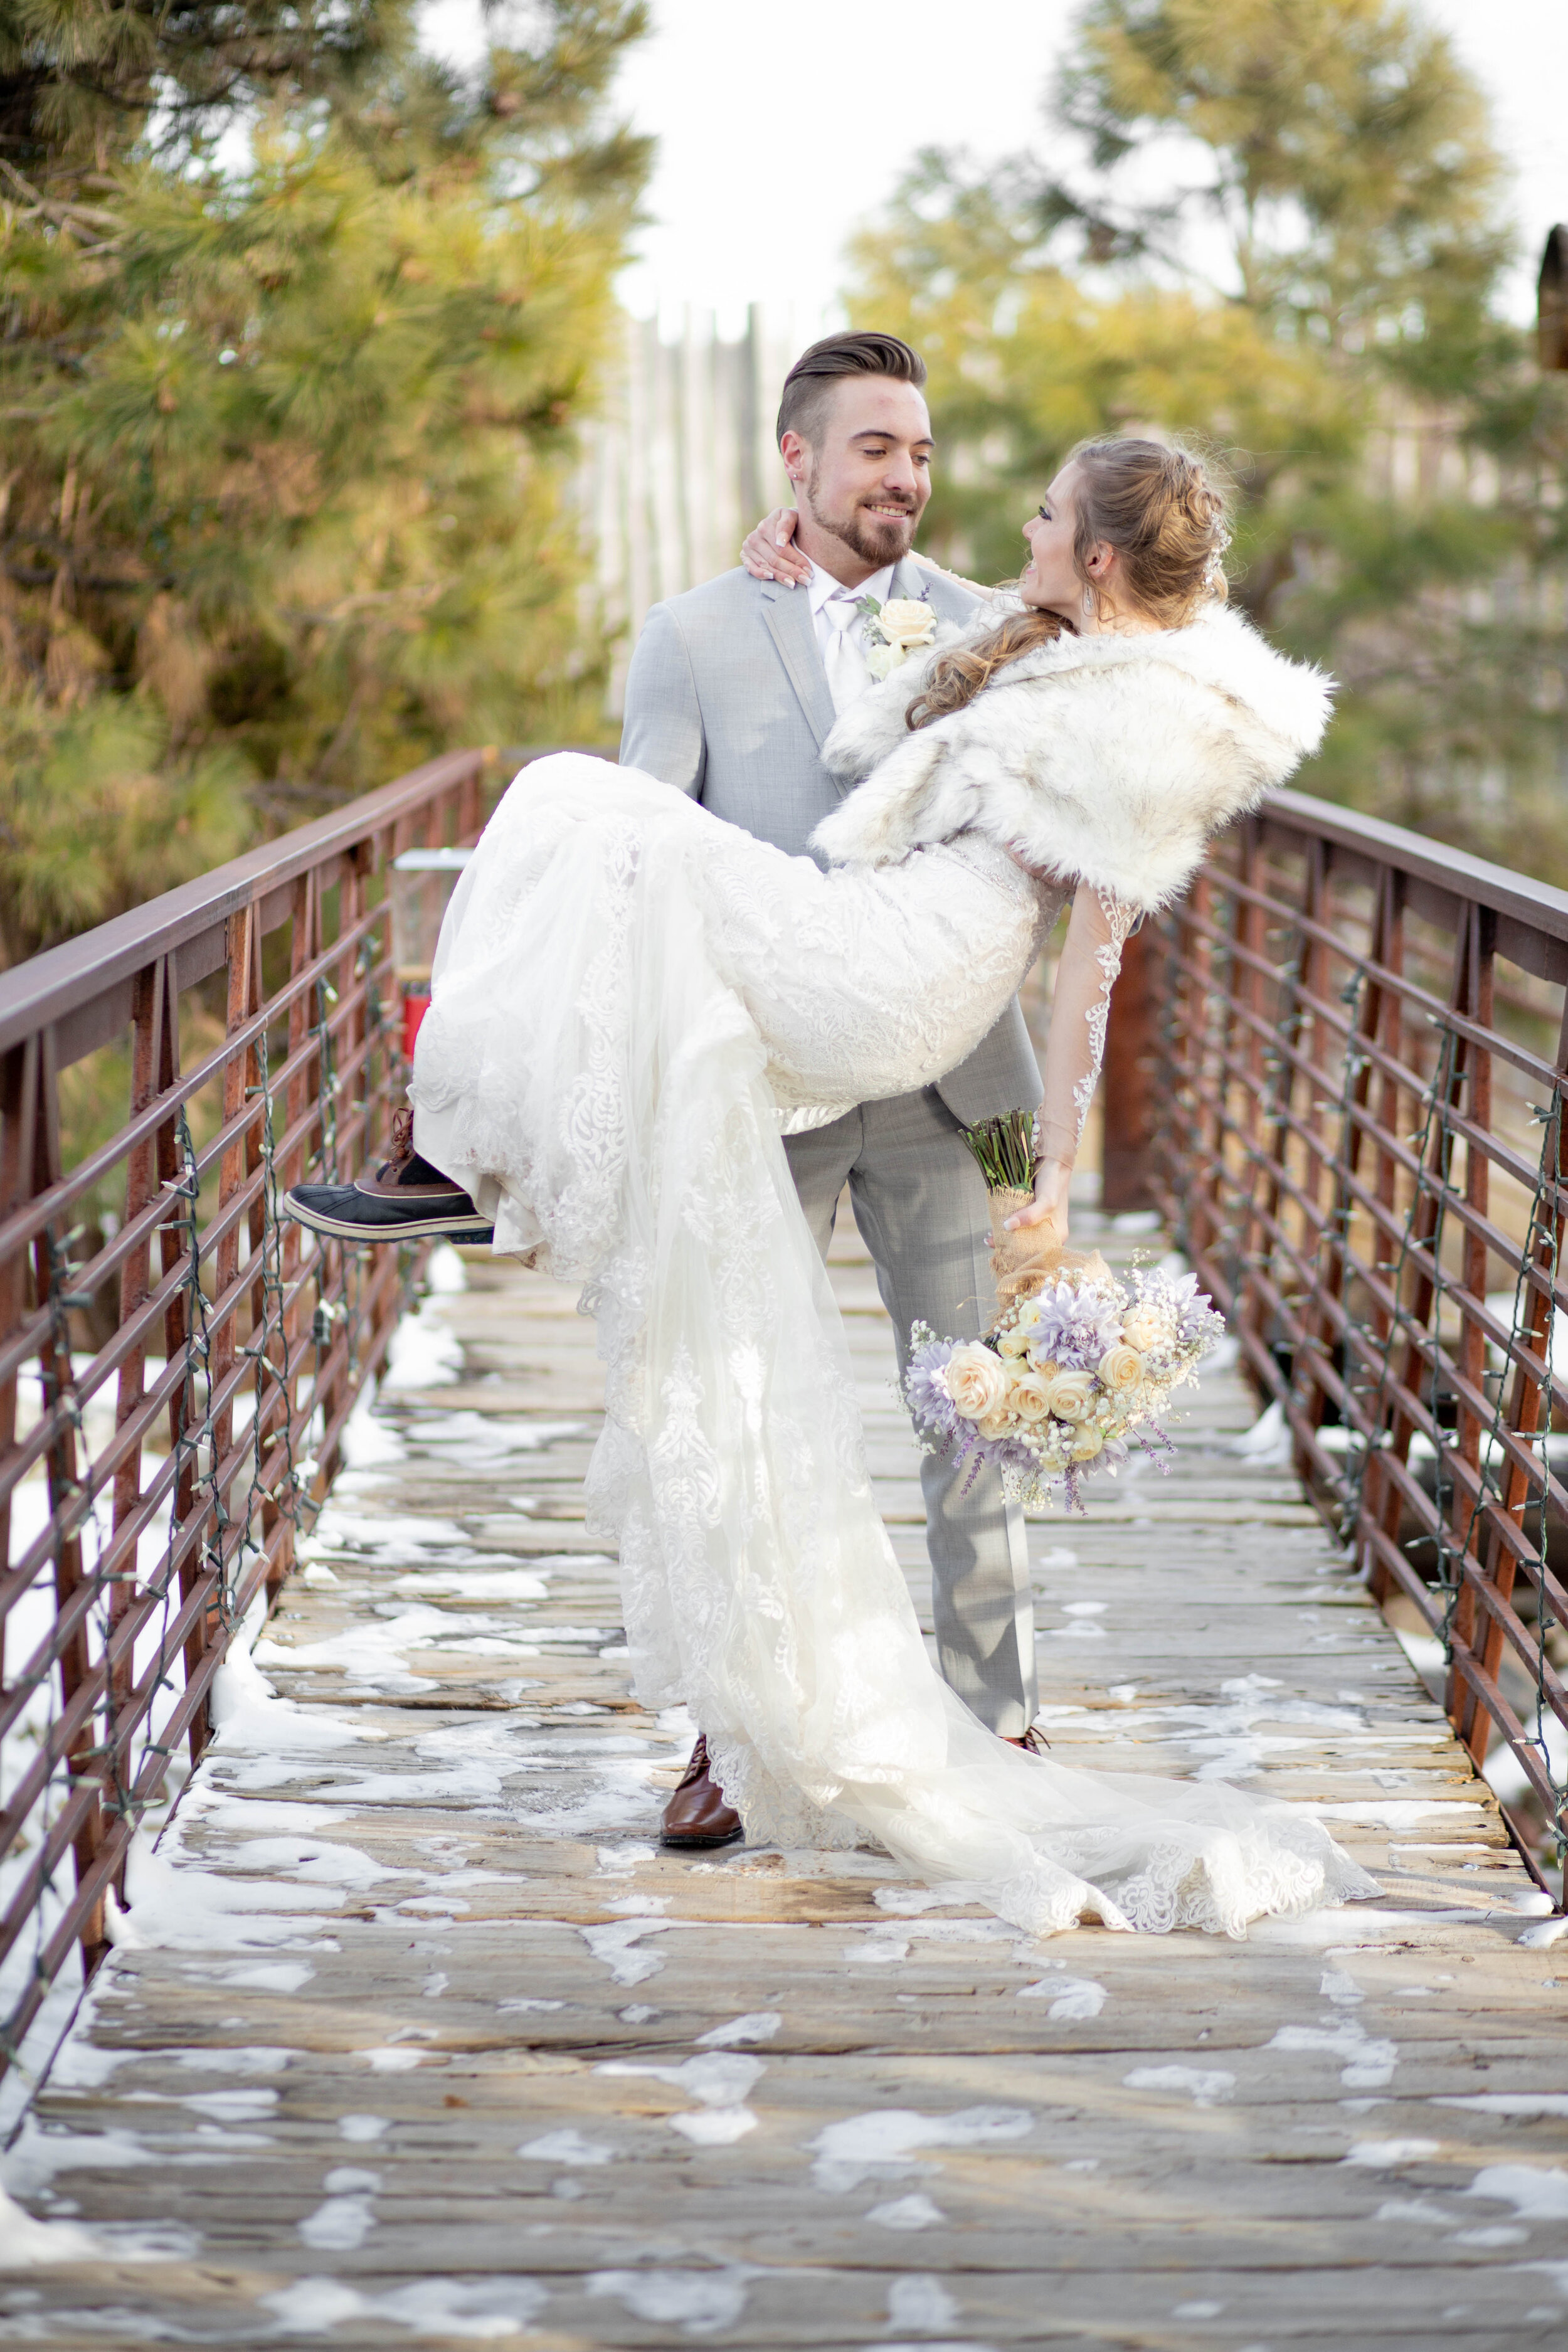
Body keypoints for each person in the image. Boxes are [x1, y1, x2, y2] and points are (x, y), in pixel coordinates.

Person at [288, 433, 1378, 1939]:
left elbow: (1086, 973)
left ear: (1104, 556)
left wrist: (1046, 1178)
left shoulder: (1150, 718)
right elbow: (911, 612)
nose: (1003, 517)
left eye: (1045, 513)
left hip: (921, 1005)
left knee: (567, 807)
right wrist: (796, 562)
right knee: (577, 821)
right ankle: (729, 1719)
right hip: (848, 956)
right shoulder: (1000, 635)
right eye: (887, 450)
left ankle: (474, 1165)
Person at [620, 333, 1047, 1850]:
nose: (905, 479)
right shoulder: (686, 636)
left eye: (920, 452)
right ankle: (736, 1738)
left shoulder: (990, 629)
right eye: (874, 449)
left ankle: (996, 1715)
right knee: (745, 1419)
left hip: (945, 1081)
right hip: (773, 1085)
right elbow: (645, 848)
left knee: (971, 1417)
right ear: (794, 461)